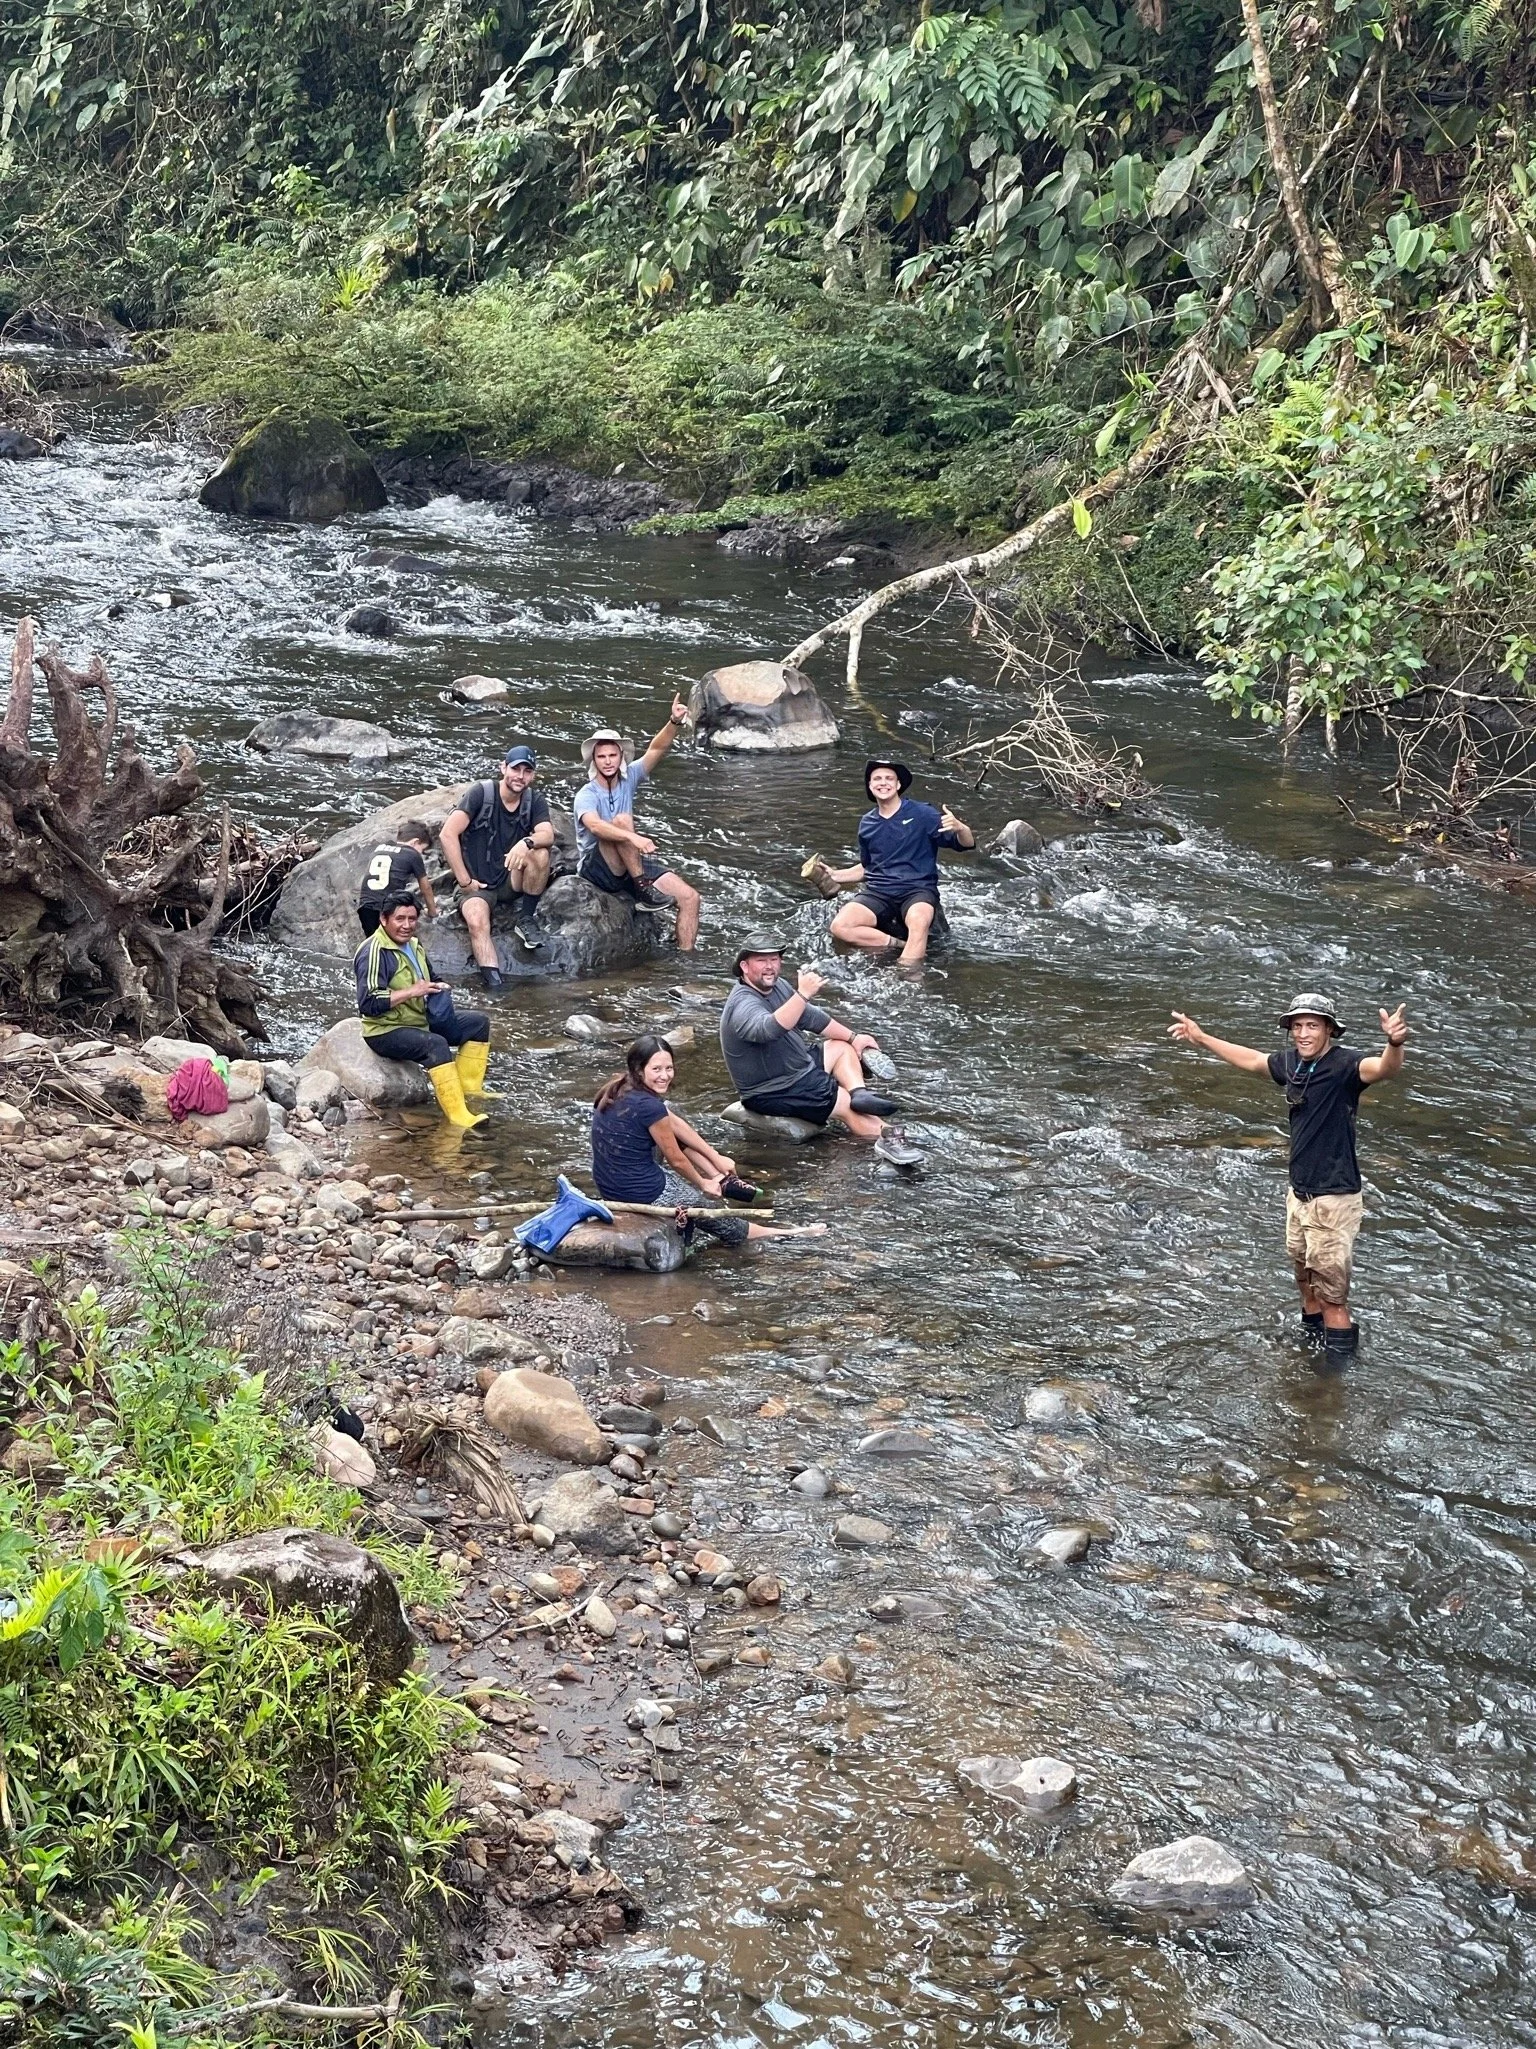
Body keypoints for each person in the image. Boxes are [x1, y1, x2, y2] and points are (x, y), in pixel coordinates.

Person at [1168, 992, 1410, 1360]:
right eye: (1297, 1026)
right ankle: (1309, 1350)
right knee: (1306, 1282)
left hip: (1333, 1200)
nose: (1303, 1033)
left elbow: (1384, 1069)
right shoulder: (1294, 1064)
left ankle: (1333, 1377)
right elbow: (1252, 1060)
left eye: (1312, 1025)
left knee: (1332, 1298)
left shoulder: (1346, 1066)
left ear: (1329, 1029)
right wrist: (1201, 1037)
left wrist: (1394, 1042)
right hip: (1299, 1197)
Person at [591, 1035, 826, 1248]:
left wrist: (716, 1158)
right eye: (656, 1069)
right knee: (712, 1214)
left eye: (669, 1068)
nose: (665, 1076)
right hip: (638, 1192)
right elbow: (676, 1160)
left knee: (670, 1125)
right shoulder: (649, 1107)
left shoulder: (620, 1087)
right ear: (639, 1070)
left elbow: (676, 1125)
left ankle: (722, 1178)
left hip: (609, 1184)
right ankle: (782, 1233)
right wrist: (702, 1183)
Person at [719, 934, 922, 1166]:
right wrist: (802, 994)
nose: (769, 966)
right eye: (761, 961)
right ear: (744, 967)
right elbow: (768, 1030)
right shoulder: (743, 1004)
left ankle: (860, 1094)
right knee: (842, 1101)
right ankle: (888, 1140)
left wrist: (854, 1037)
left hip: (797, 1067)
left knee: (841, 1047)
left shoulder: (778, 987)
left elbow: (810, 1017)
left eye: (774, 959)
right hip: (773, 1089)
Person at [809, 759, 975, 967]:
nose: (883, 783)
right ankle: (898, 945)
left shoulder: (923, 814)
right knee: (840, 926)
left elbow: (966, 844)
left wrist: (961, 828)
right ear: (870, 786)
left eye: (889, 778)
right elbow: (869, 866)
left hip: (917, 890)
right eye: (877, 779)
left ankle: (909, 973)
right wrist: (836, 875)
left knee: (918, 921)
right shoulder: (867, 823)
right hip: (879, 892)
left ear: (898, 785)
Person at [354, 893, 495, 1131]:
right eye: (400, 919)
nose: (407, 925)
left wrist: (439, 987)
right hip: (385, 1030)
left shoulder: (414, 945)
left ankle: (469, 1089)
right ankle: (458, 1114)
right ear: (384, 919)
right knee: (436, 1045)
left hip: (419, 1020)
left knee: (478, 1023)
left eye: (412, 919)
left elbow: (431, 978)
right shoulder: (374, 951)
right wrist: (412, 992)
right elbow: (368, 1003)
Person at [573, 701, 701, 950]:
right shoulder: (586, 794)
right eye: (601, 757)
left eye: (612, 755)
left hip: (631, 863)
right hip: (598, 867)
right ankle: (642, 888)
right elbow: (595, 826)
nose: (607, 761)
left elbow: (657, 748)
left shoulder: (629, 777)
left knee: (690, 898)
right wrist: (634, 838)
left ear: (621, 757)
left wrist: (674, 721)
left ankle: (686, 958)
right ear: (594, 761)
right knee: (621, 821)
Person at [440, 746, 555, 990]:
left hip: (510, 879)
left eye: (527, 771)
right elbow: (448, 834)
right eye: (515, 769)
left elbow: (547, 834)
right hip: (477, 883)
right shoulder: (481, 794)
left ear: (533, 775)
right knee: (477, 921)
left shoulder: (534, 800)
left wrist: (525, 843)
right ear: (503, 768)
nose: (520, 776)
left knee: (540, 853)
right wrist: (464, 881)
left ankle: (526, 918)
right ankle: (494, 983)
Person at [357, 821, 438, 937]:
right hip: (388, 909)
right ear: (415, 842)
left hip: (365, 907)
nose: (422, 853)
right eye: (422, 849)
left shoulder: (380, 848)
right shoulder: (412, 854)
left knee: (374, 941)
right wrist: (432, 912)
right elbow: (425, 887)